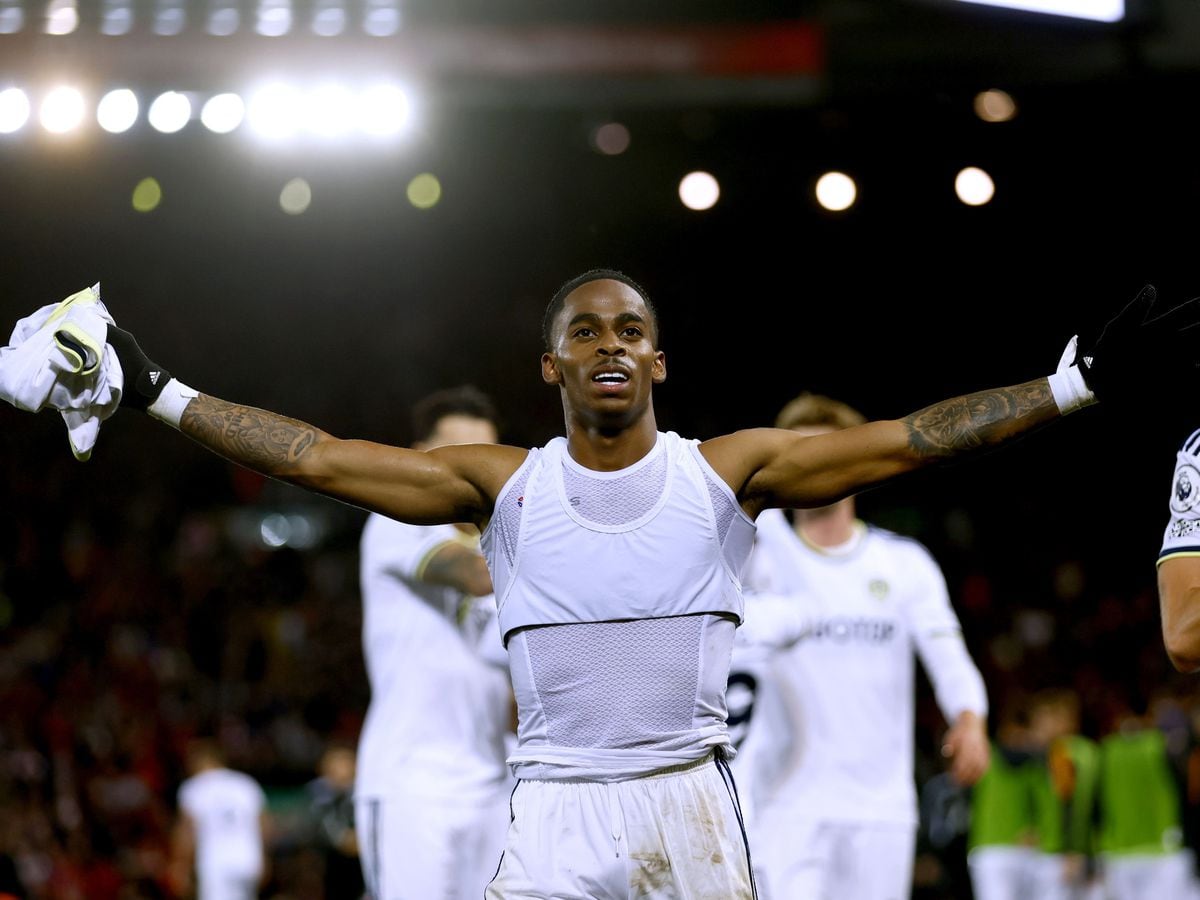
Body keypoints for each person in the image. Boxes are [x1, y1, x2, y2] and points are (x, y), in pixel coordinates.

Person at [6, 271, 1200, 899]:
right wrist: (158, 390)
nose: (611, 342)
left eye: (630, 327)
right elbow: (316, 456)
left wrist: (1075, 388)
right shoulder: (501, 485)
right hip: (555, 810)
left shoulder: (731, 474)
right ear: (551, 364)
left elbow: (911, 438)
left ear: (660, 358)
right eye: (586, 330)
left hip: (692, 802)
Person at [730, 391, 990, 900]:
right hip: (786, 806)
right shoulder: (755, 551)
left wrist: (970, 718)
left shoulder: (904, 564)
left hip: (882, 809)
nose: (811, 469)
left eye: (825, 453)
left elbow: (948, 655)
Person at [354, 385, 514, 900]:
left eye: (485, 457)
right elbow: (473, 574)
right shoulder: (396, 522)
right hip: (411, 788)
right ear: (420, 458)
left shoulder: (506, 547)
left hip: (494, 782)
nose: (472, 469)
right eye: (457, 455)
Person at [168, 738, 269, 900]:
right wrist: (264, 857)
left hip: (216, 864)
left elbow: (187, 832)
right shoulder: (246, 783)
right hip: (248, 860)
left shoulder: (193, 787)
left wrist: (180, 865)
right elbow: (264, 824)